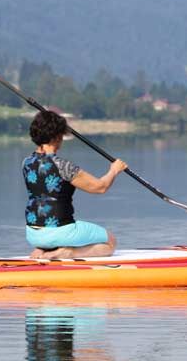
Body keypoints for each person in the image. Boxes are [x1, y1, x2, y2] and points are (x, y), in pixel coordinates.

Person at [23, 109, 127, 259]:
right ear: (57, 137)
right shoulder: (63, 166)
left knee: (58, 232)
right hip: (61, 231)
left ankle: (43, 250)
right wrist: (114, 170)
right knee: (110, 242)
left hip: (33, 234)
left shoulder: (25, 163)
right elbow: (100, 187)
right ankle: (68, 252)